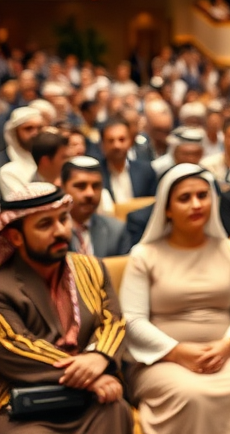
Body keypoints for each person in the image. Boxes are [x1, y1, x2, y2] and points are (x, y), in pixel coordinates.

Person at [120, 164, 230, 434]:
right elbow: (133, 320)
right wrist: (176, 352)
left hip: (225, 354)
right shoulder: (143, 255)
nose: (196, 204)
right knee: (191, 394)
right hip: (160, 359)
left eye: (203, 195)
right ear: (167, 209)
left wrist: (227, 345)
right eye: (185, 198)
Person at [0, 183, 134, 433]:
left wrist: (99, 356)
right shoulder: (2, 283)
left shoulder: (91, 267)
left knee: (117, 411)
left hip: (89, 398)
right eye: (45, 225)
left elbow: (112, 321)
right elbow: (14, 345)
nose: (60, 231)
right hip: (25, 403)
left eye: (63, 219)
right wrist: (88, 376)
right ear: (16, 237)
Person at [63, 156, 131, 258]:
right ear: (63, 189)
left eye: (96, 186)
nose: (90, 193)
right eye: (81, 186)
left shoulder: (116, 231)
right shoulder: (53, 233)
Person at [98, 117, 158, 203]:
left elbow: (153, 204)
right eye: (111, 141)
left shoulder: (146, 171)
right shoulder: (95, 174)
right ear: (102, 144)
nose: (117, 145)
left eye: (121, 140)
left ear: (130, 141)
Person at [0, 108, 44, 197]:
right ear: (15, 132)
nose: (35, 133)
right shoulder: (3, 161)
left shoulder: (48, 156)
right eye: (28, 128)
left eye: (39, 128)